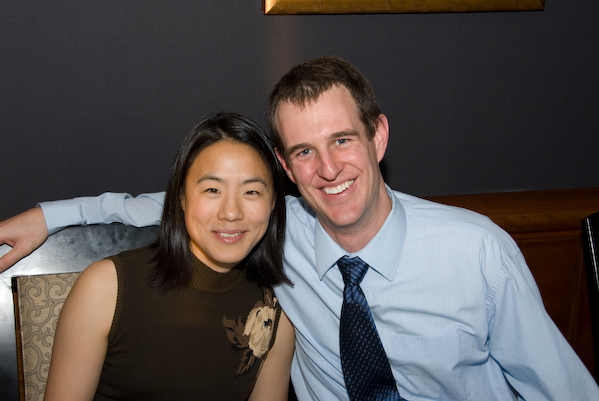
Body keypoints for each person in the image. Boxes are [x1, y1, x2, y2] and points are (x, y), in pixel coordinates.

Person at [1, 57, 598, 400]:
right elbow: (178, 204)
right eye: (305, 152)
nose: (329, 169)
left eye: (343, 140)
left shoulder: (478, 251)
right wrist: (47, 216)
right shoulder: (274, 228)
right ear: (286, 170)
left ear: (378, 136)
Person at [42, 112, 295, 401]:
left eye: (251, 191)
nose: (231, 212)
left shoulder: (276, 310)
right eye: (212, 189)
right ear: (181, 197)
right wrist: (45, 216)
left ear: (273, 202)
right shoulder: (106, 288)